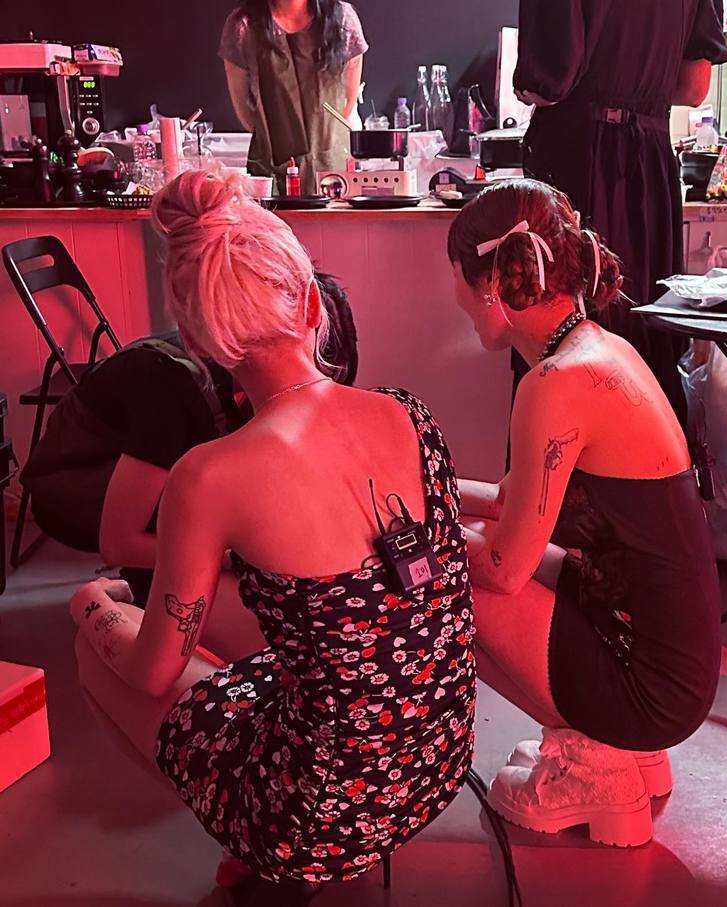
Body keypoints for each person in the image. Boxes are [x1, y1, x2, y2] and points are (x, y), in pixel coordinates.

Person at [70, 169, 475, 897]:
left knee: (98, 651)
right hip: (439, 762)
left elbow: (153, 673)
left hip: (318, 816)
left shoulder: (208, 476)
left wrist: (94, 609)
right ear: (314, 302)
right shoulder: (407, 413)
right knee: (293, 656)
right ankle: (289, 836)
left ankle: (263, 844)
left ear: (199, 342)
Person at [447, 180, 721, 847]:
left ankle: (598, 757)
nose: (454, 297)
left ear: (492, 283)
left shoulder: (555, 384)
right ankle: (618, 749)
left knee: (436, 583)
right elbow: (512, 504)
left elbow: (505, 569)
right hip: (671, 661)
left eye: (456, 277)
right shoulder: (597, 349)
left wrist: (407, 534)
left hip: (652, 686)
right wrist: (429, 491)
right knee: (465, 540)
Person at [21, 274, 358, 607]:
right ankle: (137, 599)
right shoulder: (172, 389)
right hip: (73, 488)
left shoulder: (245, 370)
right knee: (214, 518)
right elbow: (119, 542)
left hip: (149, 463)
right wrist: (238, 560)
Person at [512, 0, 727, 420]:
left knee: (563, 345)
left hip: (579, 162)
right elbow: (693, 87)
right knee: (645, 338)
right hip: (650, 166)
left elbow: (550, 81)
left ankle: (560, 462)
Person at [220, 0, 368, 194]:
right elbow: (244, 107)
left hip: (333, 170)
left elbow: (349, 101)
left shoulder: (342, 20)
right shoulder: (243, 26)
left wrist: (323, 142)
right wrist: (275, 137)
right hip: (272, 171)